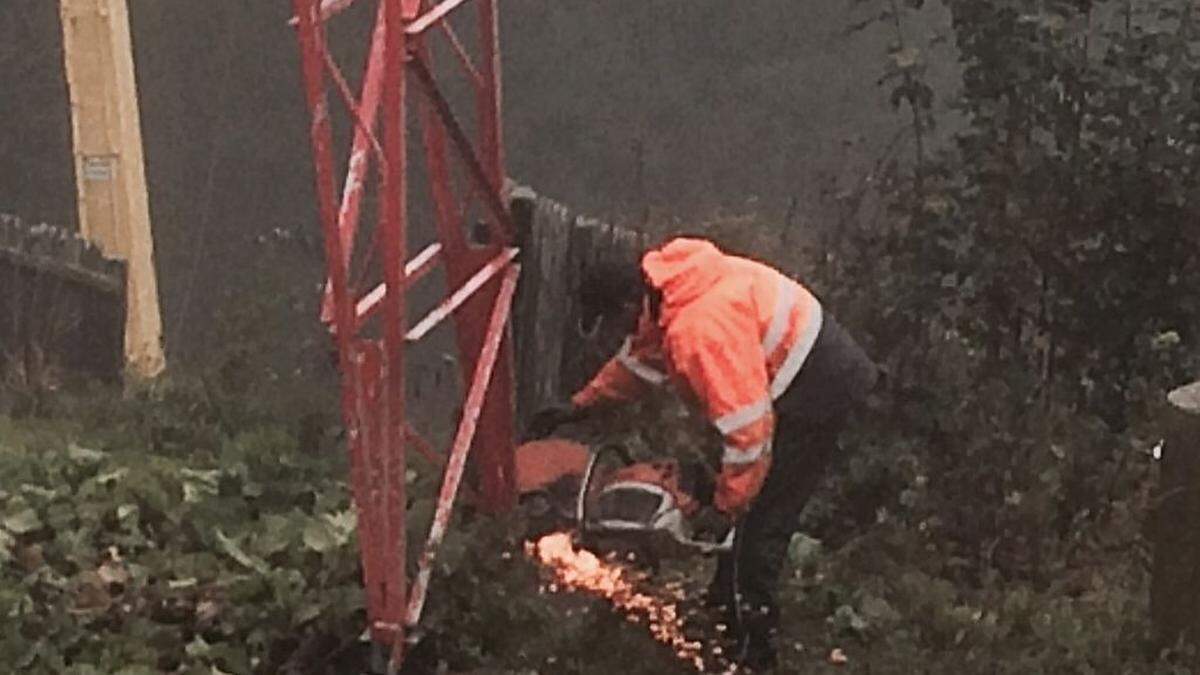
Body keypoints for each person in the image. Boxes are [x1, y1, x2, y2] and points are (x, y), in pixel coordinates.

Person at [530, 237, 879, 670]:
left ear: (626, 306)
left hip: (816, 387)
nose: (617, 336)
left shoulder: (697, 331)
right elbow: (639, 365)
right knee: (744, 513)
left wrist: (727, 507)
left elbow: (749, 435)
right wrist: (579, 405)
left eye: (613, 325)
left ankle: (751, 657)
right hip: (796, 373)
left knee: (758, 529)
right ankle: (724, 616)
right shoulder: (669, 294)